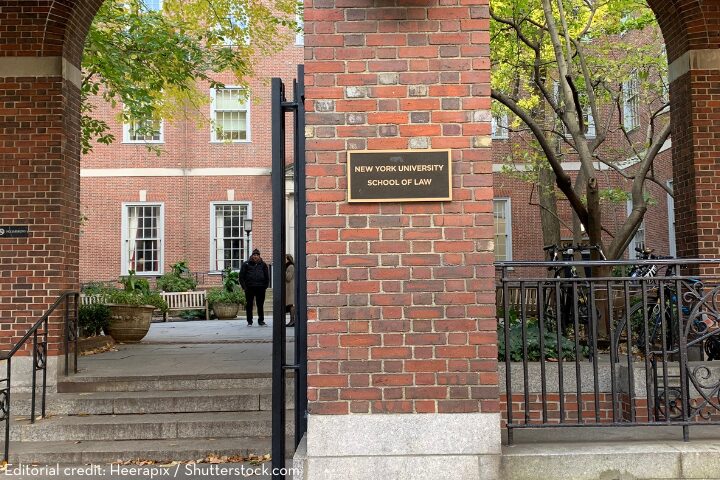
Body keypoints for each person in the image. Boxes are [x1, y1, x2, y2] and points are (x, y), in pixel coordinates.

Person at [239, 248, 270, 326]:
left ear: (259, 256)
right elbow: (241, 277)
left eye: (257, 255)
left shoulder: (263, 265)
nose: (255, 256)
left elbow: (267, 277)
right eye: (254, 255)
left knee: (260, 305)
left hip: (260, 287)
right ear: (252, 256)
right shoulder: (246, 264)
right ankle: (249, 321)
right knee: (249, 305)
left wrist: (265, 286)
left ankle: (261, 321)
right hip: (249, 288)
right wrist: (244, 287)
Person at [284, 254, 295, 327]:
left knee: (291, 305)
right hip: (288, 288)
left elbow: (288, 277)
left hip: (290, 288)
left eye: (285, 258)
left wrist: (283, 271)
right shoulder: (288, 266)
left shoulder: (290, 266)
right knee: (290, 305)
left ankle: (292, 320)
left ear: (288, 259)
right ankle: (291, 321)